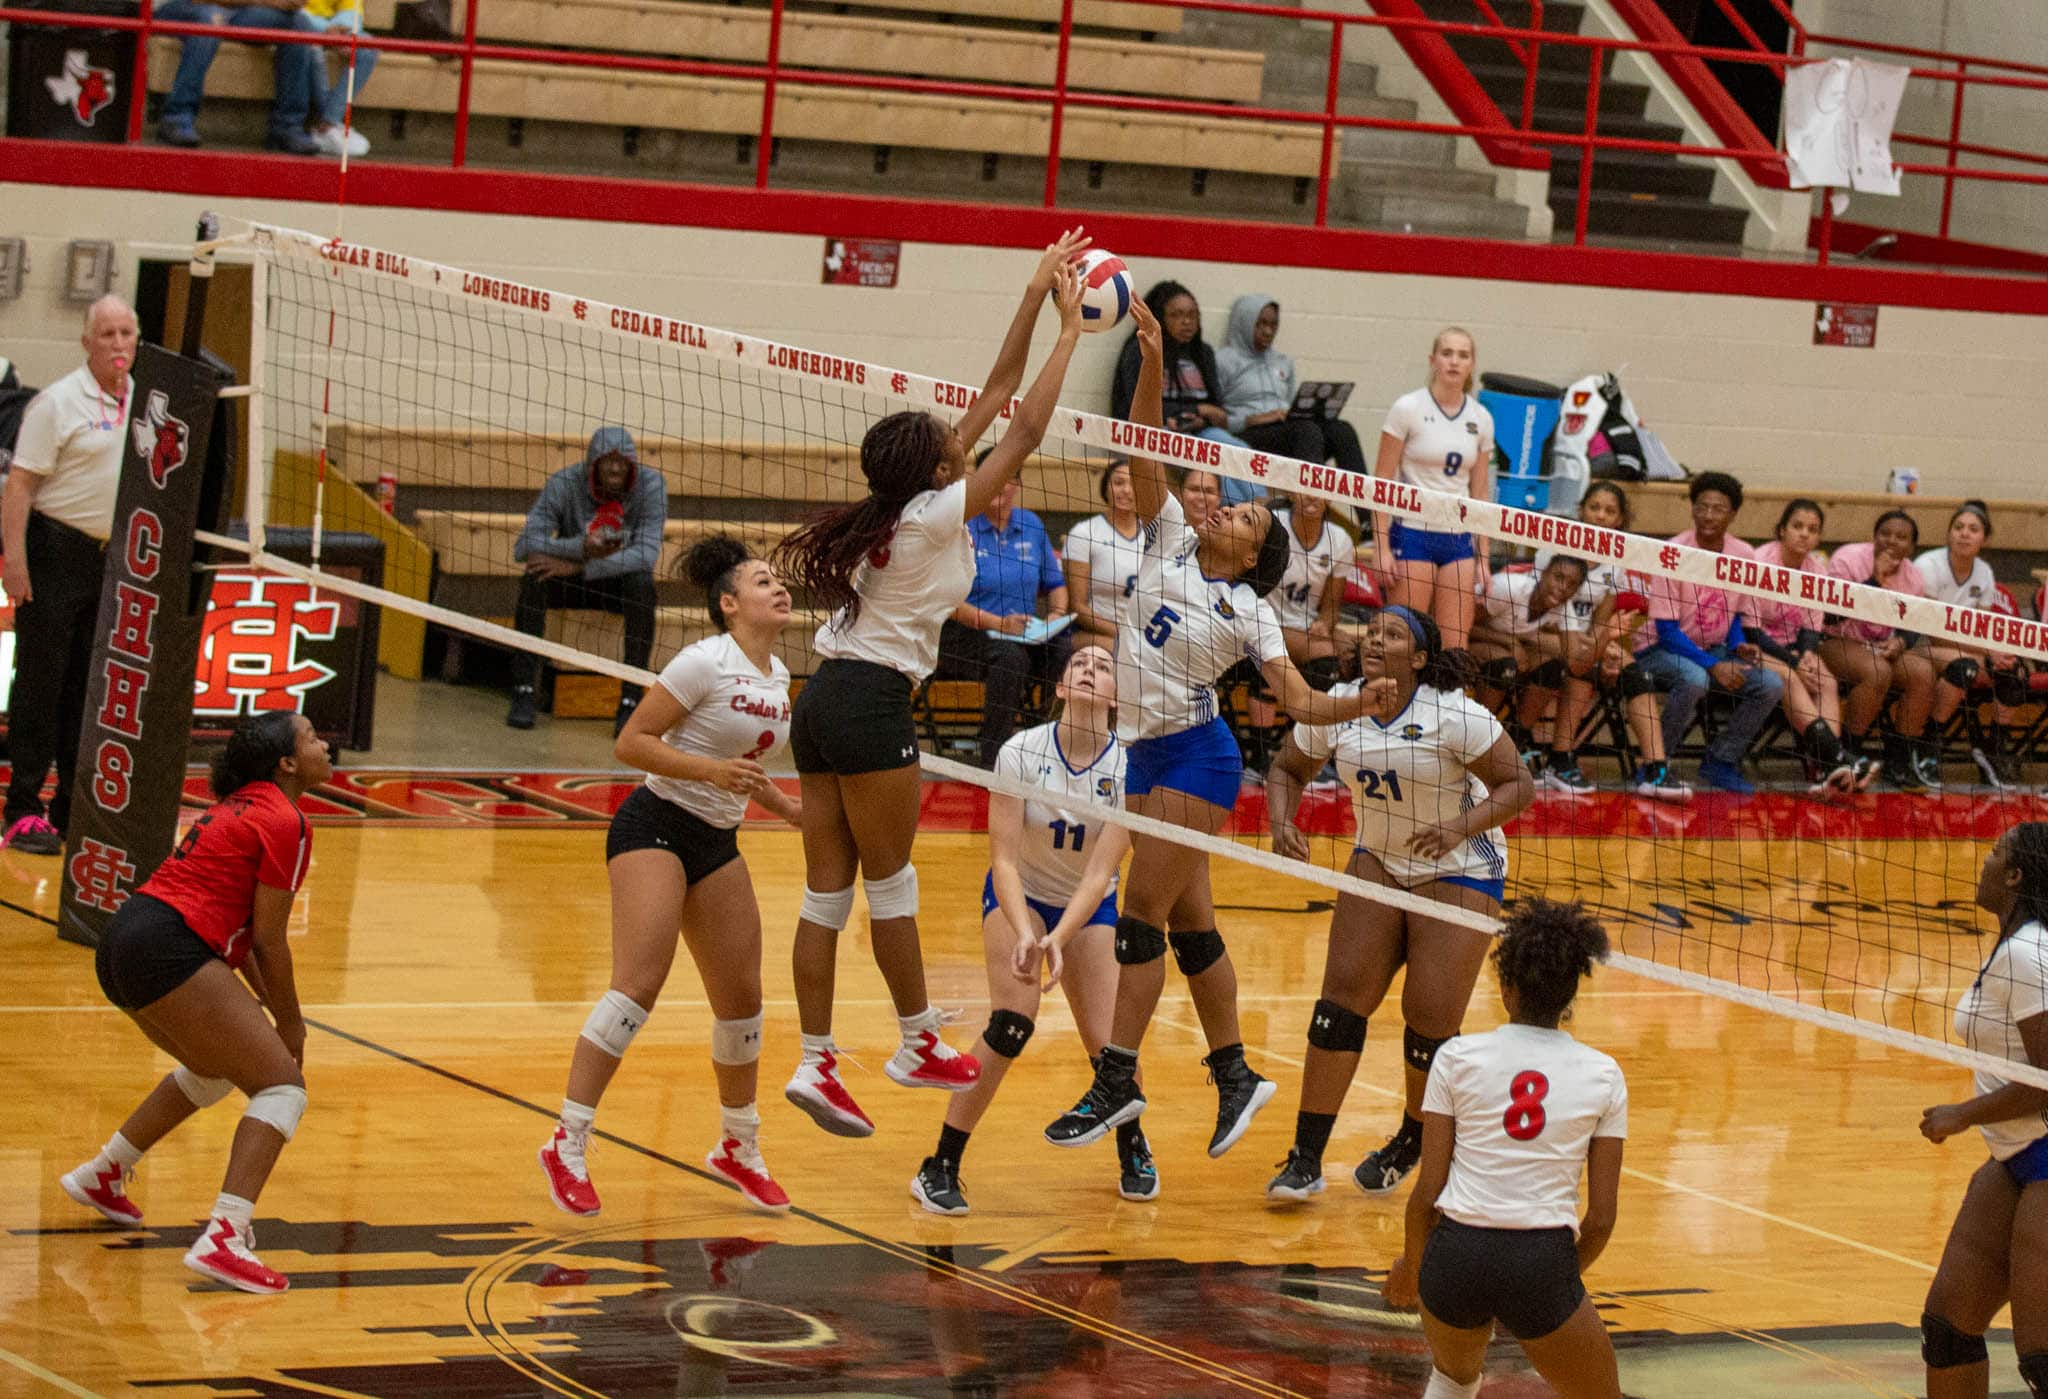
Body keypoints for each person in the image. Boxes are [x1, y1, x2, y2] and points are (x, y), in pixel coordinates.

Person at [1042, 297, 1378, 1163]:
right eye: (1234, 505)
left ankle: (1118, 1076)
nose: (1229, 509)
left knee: (1139, 915)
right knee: (1193, 928)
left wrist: (1361, 704)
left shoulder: (1250, 611)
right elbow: (1149, 438)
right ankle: (1234, 1074)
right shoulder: (1164, 537)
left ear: (1256, 553)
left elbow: (1299, 703)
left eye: (1249, 518)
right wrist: (1151, 354)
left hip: (1199, 754)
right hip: (1145, 748)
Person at [771, 232, 1089, 1138]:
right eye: (954, 447)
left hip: (823, 698)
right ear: (942, 472)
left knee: (824, 896)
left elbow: (992, 392)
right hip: (871, 704)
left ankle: (817, 1061)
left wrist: (1031, 296)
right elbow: (1022, 424)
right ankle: (914, 1040)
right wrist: (1074, 333)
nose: (965, 441)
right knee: (892, 884)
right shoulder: (932, 517)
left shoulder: (892, 509)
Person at [537, 536, 804, 1217]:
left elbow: (745, 767)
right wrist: (710, 772)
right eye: (761, 580)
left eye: (778, 580)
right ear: (728, 603)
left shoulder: (776, 674)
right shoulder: (702, 661)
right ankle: (567, 1139)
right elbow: (631, 743)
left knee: (742, 1001)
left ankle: (737, 1144)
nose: (778, 587)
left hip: (717, 837)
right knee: (638, 985)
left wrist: (790, 810)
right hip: (654, 821)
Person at [1265, 607, 1536, 1201]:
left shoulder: (1453, 713)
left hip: (1460, 866)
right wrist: (1282, 821)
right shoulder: (1340, 705)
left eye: (1393, 635)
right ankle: (1305, 1158)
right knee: (1338, 1006)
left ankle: (1415, 1135)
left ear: (1417, 658)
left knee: (1428, 1019)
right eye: (1372, 632)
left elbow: (1519, 786)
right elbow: (1286, 768)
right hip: (1380, 859)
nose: (1375, 641)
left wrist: (1461, 827)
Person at [58, 713, 329, 1294]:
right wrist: (291, 1025)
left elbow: (248, 935)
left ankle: (103, 1172)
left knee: (214, 1068)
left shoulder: (244, 804)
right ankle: (226, 1235)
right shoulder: (285, 819)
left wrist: (270, 1014)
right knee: (282, 1088)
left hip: (125, 941)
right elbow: (269, 940)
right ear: (286, 763)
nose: (324, 745)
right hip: (167, 944)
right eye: (311, 738)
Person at [911, 645, 1157, 1214]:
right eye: (1080, 666)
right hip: (1018, 896)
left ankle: (1133, 1144)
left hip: (1086, 906)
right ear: (1063, 688)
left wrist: (1059, 940)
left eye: (1104, 666)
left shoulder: (1130, 768)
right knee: (1012, 1025)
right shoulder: (1021, 751)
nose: (1092, 670)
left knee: (1112, 1045)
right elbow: (1005, 861)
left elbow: (1101, 873)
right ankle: (940, 1164)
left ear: (1117, 696)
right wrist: (1028, 933)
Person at [1381, 899, 1627, 1399]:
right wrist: (1543, 1283)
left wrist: (1414, 1265)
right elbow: (1601, 1220)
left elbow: (1427, 1193)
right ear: (1570, 994)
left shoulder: (1455, 1057)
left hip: (1455, 1259)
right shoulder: (1604, 1074)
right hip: (1540, 1261)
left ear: (1505, 988)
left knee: (1453, 1381)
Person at [1916, 821, 2048, 1399]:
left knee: (2044, 1358)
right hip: (2018, 1153)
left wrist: (1962, 1114)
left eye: (1996, 854)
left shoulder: (2027, 952)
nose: (1985, 861)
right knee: (1948, 1329)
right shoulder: (2017, 947)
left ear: (2016, 875)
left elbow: (2046, 1078)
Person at [2, 295, 137, 857]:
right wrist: (14, 562)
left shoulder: (148, 404)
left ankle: (68, 808)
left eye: (126, 333)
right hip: (55, 551)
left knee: (89, 689)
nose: (117, 343)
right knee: (40, 684)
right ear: (87, 342)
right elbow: (19, 488)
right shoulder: (57, 403)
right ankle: (22, 810)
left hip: (112, 559)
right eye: (106, 334)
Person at [507, 426, 666, 736]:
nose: (617, 467)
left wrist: (579, 567)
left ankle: (631, 701)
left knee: (642, 585)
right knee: (534, 577)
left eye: (624, 461)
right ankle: (524, 690)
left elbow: (645, 555)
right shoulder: (564, 483)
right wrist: (580, 547)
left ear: (633, 464)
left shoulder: (651, 486)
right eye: (608, 461)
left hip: (611, 584)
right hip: (572, 586)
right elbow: (524, 546)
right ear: (593, 463)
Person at [1535, 482, 1689, 802]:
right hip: (1540, 632)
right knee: (1584, 665)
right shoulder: (1554, 547)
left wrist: (1607, 649)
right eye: (1594, 508)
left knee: (1636, 674)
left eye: (1609, 511)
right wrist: (1595, 647)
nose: (1600, 516)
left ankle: (1654, 769)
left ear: (1619, 520)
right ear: (1581, 511)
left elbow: (1601, 620)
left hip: (1584, 638)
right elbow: (1543, 609)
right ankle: (1560, 760)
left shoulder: (1615, 562)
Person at [1633, 471, 1784, 796]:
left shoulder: (1743, 555)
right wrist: (1714, 665)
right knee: (1693, 680)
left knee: (1770, 684)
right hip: (1658, 649)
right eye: (1702, 507)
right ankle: (1655, 766)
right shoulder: (1672, 551)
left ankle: (1720, 761)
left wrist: (1738, 645)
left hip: (1712, 651)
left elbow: (1731, 613)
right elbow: (1667, 630)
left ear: (1733, 514)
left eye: (1718, 509)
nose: (1709, 516)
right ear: (1692, 509)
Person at [932, 473, 1070, 767]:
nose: (999, 485)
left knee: (1062, 650)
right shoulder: (961, 525)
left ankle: (1041, 738)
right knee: (1010, 659)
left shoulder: (1030, 524)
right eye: (993, 477)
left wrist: (1055, 615)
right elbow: (945, 598)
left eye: (1008, 478)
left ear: (1017, 485)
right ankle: (992, 760)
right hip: (963, 634)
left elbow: (1056, 583)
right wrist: (998, 623)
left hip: (1023, 634)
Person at [1375, 329, 1494, 651]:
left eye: (1463, 355)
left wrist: (1484, 557)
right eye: (1447, 353)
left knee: (1455, 647)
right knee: (1401, 642)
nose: (1454, 361)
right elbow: (1382, 482)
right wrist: (1381, 546)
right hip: (1413, 534)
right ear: (1433, 360)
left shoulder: (1481, 418)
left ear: (1472, 364)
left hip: (1458, 541)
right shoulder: (1408, 408)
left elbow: (1480, 494)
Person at [1752, 499, 1868, 795]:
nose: (1804, 534)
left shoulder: (1816, 571)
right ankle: (1834, 758)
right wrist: (1793, 663)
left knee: (1825, 680)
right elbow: (1750, 629)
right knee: (1792, 680)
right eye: (1797, 526)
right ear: (1781, 530)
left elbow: (1811, 629)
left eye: (1812, 529)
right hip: (1751, 646)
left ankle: (1825, 768)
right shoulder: (1758, 562)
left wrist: (1804, 656)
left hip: (1793, 650)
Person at [1236, 491, 1355, 777]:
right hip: (1260, 619)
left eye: (1321, 491)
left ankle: (1307, 751)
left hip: (1304, 628)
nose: (1312, 496)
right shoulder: (1274, 525)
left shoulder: (1340, 539)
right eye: (1306, 488)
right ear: (1291, 492)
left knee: (1347, 653)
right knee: (1274, 655)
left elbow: (1330, 608)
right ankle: (1261, 756)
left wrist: (1324, 624)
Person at [1819, 510, 1939, 791]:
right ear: (1874, 537)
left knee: (1922, 673)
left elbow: (1913, 624)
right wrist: (1875, 578)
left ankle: (1898, 759)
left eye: (1901, 537)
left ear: (1911, 547)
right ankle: (1849, 752)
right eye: (1885, 534)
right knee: (1877, 671)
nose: (1891, 541)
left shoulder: (1914, 576)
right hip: (1834, 641)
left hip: (1879, 646)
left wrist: (1902, 642)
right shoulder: (1847, 559)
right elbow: (1830, 617)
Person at [1110, 281, 1256, 504]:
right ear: (1160, 318)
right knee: (1209, 469)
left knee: (1239, 450)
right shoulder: (1139, 350)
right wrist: (1193, 409)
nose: (1186, 322)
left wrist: (1202, 416)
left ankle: (1261, 509)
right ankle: (1237, 512)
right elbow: (1135, 406)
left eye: (1192, 315)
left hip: (1201, 430)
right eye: (1177, 315)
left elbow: (1216, 406)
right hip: (1158, 433)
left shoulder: (1203, 353)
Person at [1917, 502, 2028, 788]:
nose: (1964, 534)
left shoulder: (1984, 573)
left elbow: (1986, 628)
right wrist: (1987, 651)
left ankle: (1993, 746)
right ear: (1949, 533)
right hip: (1922, 646)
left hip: (1968, 648)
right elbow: (1931, 632)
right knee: (1963, 668)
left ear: (1984, 539)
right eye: (1958, 527)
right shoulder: (1928, 565)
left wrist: (2000, 653)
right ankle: (1929, 743)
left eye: (1973, 529)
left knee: (2013, 672)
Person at [1470, 555, 1592, 793]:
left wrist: (1607, 640)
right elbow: (1462, 624)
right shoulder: (1508, 588)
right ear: (1543, 573)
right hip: (1470, 637)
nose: (1562, 587)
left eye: (1571, 584)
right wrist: (1509, 642)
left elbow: (1575, 664)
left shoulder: (1563, 608)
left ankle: (1514, 745)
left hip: (1503, 645)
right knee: (1505, 666)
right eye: (1558, 578)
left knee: (1552, 669)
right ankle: (1475, 746)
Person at [1215, 295, 1368, 481]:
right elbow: (1216, 419)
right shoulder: (1223, 361)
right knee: (1306, 431)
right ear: (1244, 322)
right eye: (1261, 324)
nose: (1268, 331)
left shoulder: (1283, 361)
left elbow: (1289, 404)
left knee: (1341, 430)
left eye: (1273, 325)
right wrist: (1251, 420)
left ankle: (1368, 509)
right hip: (1248, 435)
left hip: (1287, 431)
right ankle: (1308, 504)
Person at [153, 0, 323, 154]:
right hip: (184, 6)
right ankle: (176, 118)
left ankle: (287, 127)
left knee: (297, 22)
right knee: (210, 18)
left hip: (241, 10)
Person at [1063, 461, 1144, 644]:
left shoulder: (1154, 536)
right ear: (1105, 487)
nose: (1126, 490)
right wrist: (1124, 635)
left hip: (1145, 636)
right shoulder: (1084, 533)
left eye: (1133, 484)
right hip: (1097, 635)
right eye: (1118, 483)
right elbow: (1077, 607)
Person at [303, 0, 376, 158]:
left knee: (368, 47)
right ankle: (324, 126)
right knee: (312, 49)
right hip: (294, 20)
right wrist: (327, 30)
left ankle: (328, 123)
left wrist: (342, 31)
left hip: (335, 26)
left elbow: (351, 8)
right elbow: (287, 7)